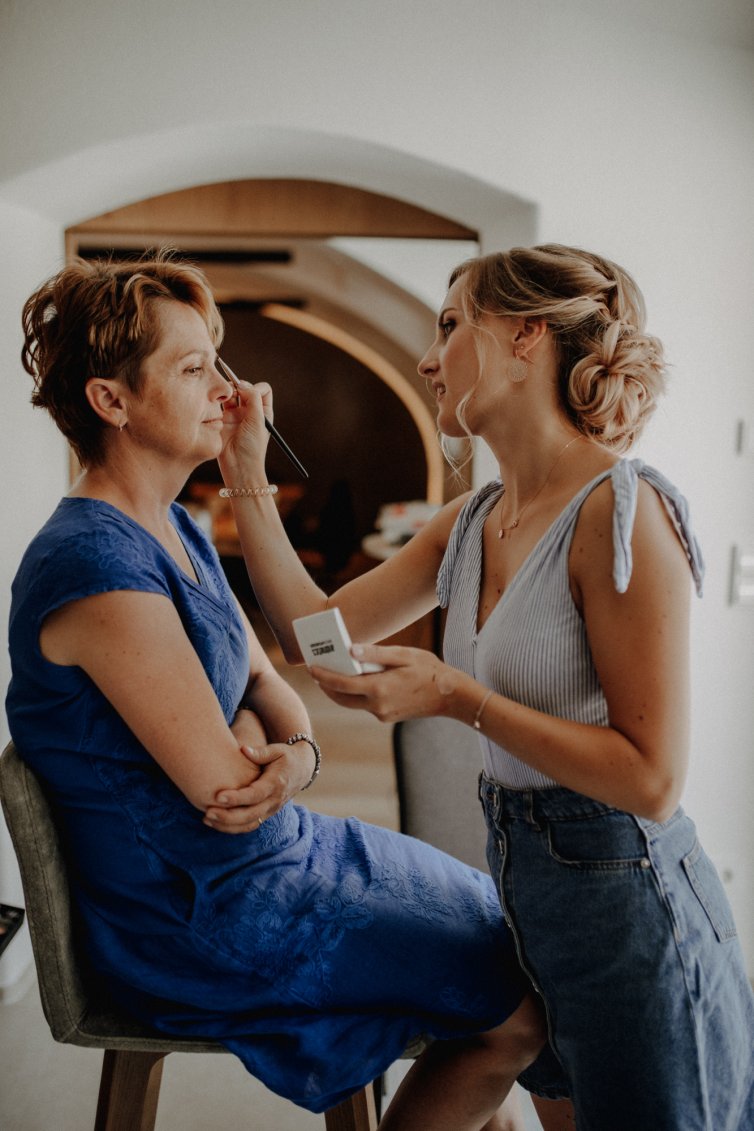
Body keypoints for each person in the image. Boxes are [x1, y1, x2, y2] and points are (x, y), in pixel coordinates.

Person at [5, 253, 583, 1131]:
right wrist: (256, 734)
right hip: (200, 907)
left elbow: (274, 672)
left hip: (275, 853)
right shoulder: (97, 566)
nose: (228, 388)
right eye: (193, 367)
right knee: (521, 1004)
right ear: (111, 402)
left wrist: (297, 748)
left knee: (500, 930)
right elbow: (232, 773)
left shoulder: (180, 527)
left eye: (217, 362)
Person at [213, 243, 754, 1131]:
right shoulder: (469, 520)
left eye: (451, 324)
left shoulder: (623, 512)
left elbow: (652, 778)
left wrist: (457, 697)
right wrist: (245, 473)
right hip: (532, 903)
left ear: (526, 337)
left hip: (635, 918)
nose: (429, 358)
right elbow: (320, 638)